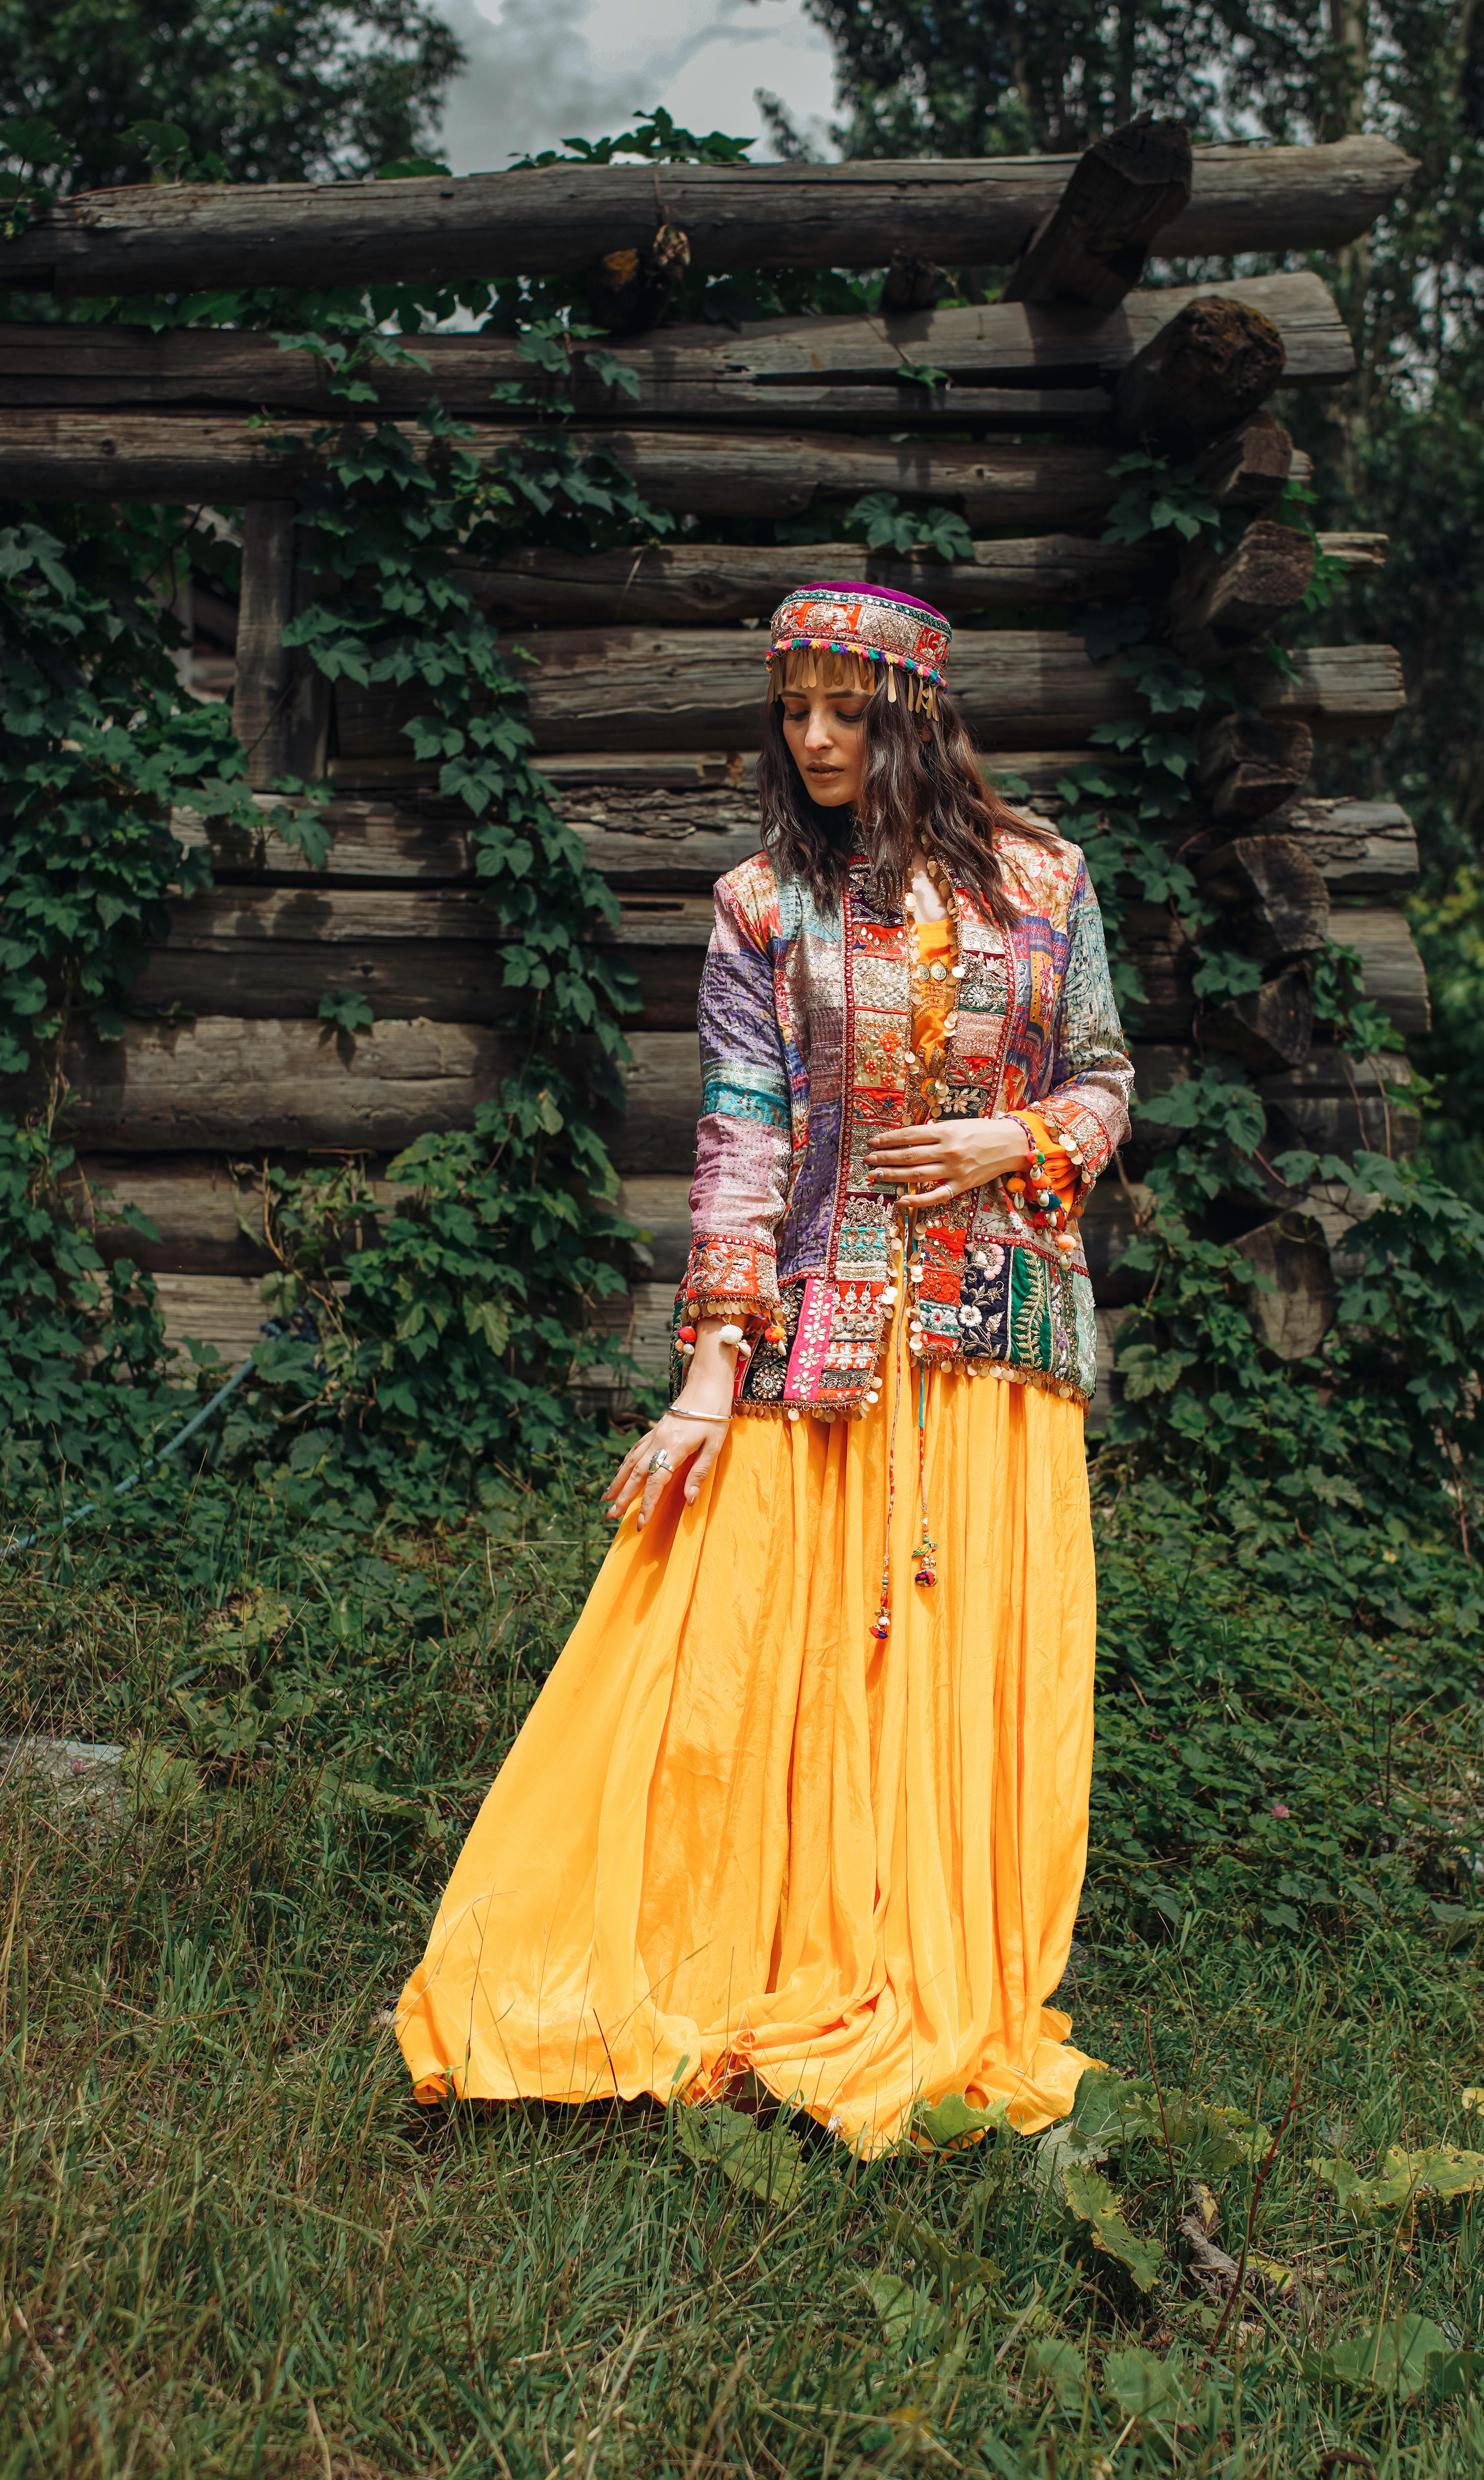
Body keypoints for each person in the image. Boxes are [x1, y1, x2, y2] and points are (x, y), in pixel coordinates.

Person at [396, 582, 1134, 2154]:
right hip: (826, 1339)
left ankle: (937, 1972)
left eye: (844, 712)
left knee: (967, 1671)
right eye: (792, 710)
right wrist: (707, 1379)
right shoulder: (760, 907)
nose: (812, 738)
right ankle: (767, 1952)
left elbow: (1103, 1080)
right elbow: (738, 1145)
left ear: (914, 718)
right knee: (774, 1658)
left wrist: (1012, 1139)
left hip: (998, 1338)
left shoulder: (1045, 881)